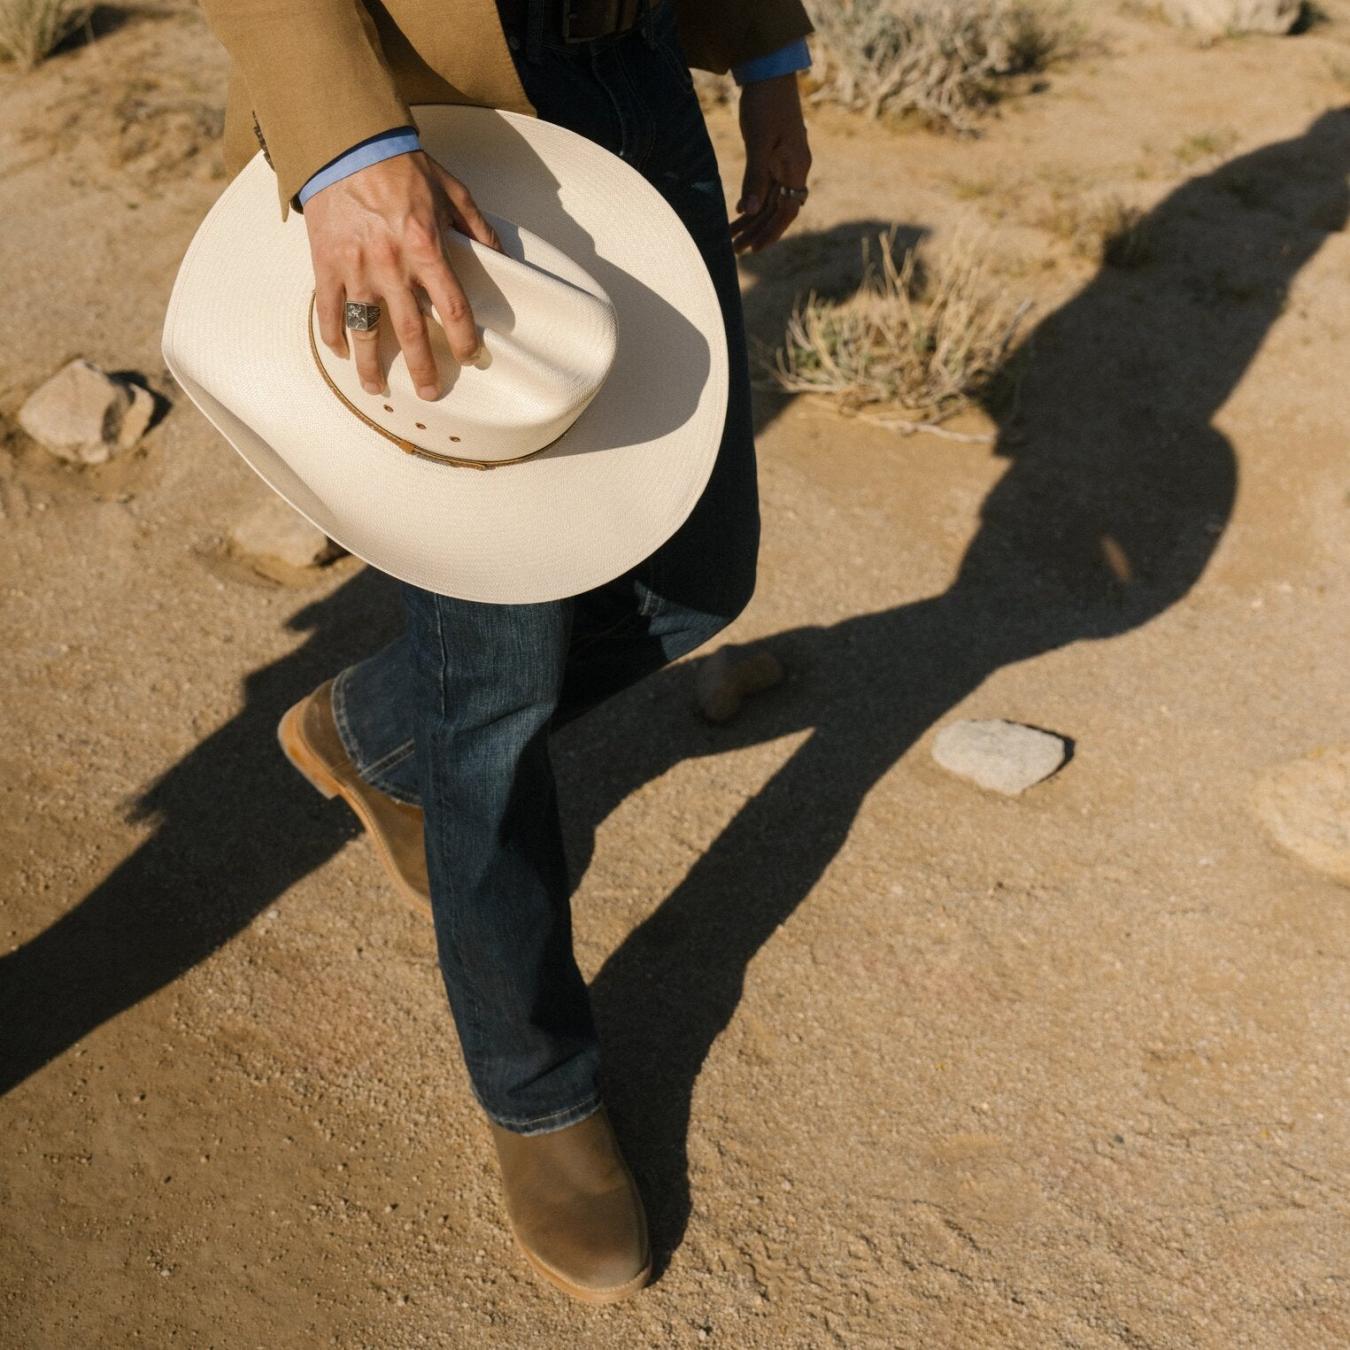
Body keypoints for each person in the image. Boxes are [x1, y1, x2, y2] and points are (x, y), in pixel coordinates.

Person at [198, 0, 813, 1304]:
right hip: (428, 115)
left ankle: (373, 732)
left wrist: (765, 55)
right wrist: (345, 143)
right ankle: (536, 1090)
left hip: (641, 75)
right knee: (495, 677)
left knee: (702, 576)